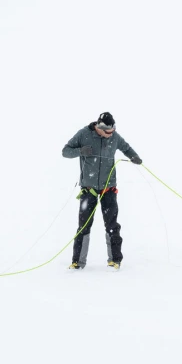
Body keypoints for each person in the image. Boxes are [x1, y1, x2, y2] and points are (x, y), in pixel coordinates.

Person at [61, 111, 142, 270]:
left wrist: (134, 157)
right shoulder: (84, 134)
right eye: (108, 132)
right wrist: (80, 151)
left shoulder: (114, 137)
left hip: (108, 189)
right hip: (88, 189)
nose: (111, 135)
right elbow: (65, 151)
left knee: (112, 225)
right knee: (84, 226)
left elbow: (126, 148)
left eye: (113, 131)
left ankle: (115, 260)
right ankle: (78, 262)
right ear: (99, 127)